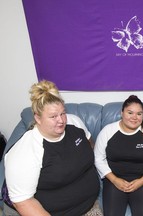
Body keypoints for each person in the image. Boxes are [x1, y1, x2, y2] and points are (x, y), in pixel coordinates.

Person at [3, 80, 101, 216]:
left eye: (62, 113)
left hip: (90, 205)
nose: (61, 120)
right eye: (53, 116)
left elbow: (89, 143)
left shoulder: (74, 122)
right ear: (37, 118)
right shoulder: (24, 152)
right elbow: (23, 202)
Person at [94, 95, 143, 216]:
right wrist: (115, 180)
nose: (134, 117)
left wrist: (142, 181)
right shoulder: (108, 131)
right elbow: (98, 158)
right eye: (130, 112)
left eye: (139, 114)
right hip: (114, 179)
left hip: (142, 179)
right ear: (122, 113)